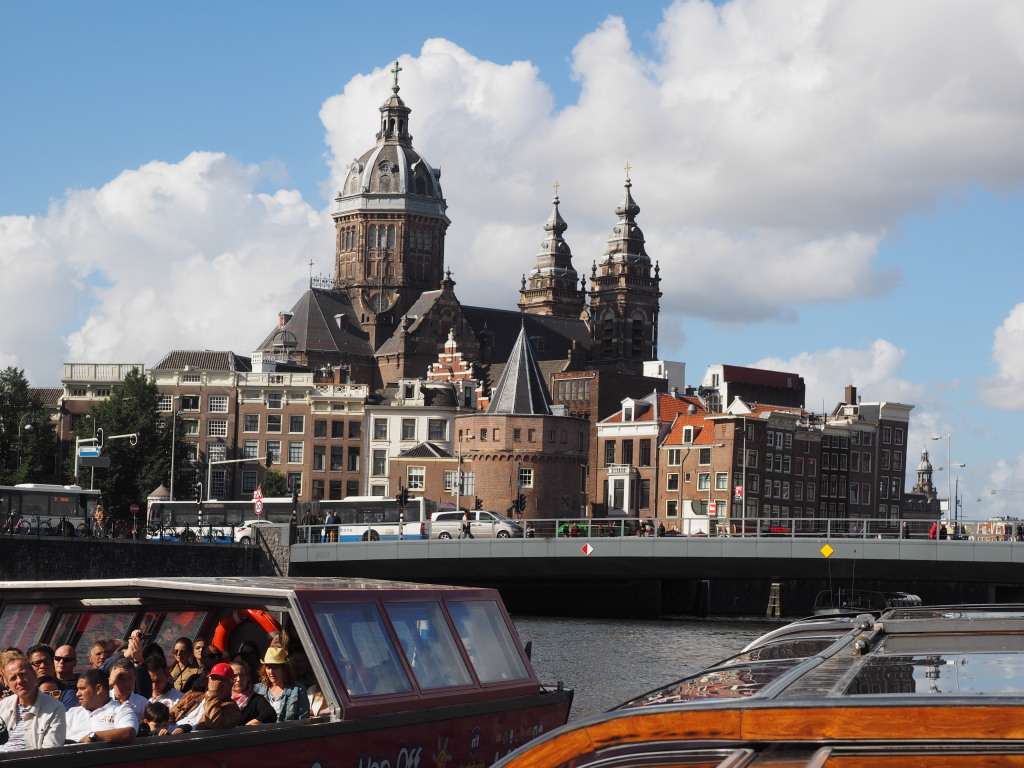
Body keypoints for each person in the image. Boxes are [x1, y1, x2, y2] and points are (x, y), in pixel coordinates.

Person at [0, 656, 66, 752]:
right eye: (13, 678)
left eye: (23, 674)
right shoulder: (2, 706)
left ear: (34, 675)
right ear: (7, 683)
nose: (19, 681)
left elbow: (50, 751)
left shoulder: (54, 708)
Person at [65, 668, 138, 744]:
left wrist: (94, 736)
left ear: (99, 689)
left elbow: (129, 733)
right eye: (78, 689)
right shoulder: (72, 713)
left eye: (82, 688)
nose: (77, 694)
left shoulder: (121, 711)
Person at [166, 662, 239, 734]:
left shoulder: (231, 707)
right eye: (214, 678)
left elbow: (214, 722)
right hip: (174, 732)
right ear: (208, 679)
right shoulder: (193, 696)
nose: (217, 683)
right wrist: (167, 725)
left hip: (195, 738)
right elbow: (171, 713)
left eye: (223, 679)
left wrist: (213, 695)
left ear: (231, 683)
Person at [253, 647, 309, 721]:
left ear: (285, 669)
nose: (271, 672)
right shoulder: (257, 689)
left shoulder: (298, 690)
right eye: (268, 667)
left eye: (275, 667)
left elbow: (303, 722)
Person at [25, 644, 77, 711]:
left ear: (53, 663)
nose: (43, 666)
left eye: (47, 662)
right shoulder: (23, 692)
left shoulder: (67, 694)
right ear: (29, 667)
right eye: (37, 663)